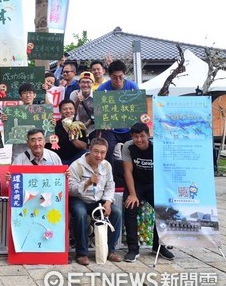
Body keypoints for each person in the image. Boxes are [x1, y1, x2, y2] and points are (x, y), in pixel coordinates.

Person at [122, 123, 174, 262]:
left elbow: (166, 169)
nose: (139, 140)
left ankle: (158, 246)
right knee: (130, 206)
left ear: (148, 135)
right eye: (135, 137)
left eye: (142, 136)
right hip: (136, 183)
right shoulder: (128, 146)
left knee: (164, 209)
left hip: (154, 184)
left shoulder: (157, 147)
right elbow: (128, 171)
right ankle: (133, 248)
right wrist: (132, 194)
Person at [68, 138, 122, 266]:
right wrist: (87, 183)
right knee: (80, 213)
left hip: (98, 200)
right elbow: (70, 190)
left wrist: (108, 202)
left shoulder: (107, 165)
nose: (99, 155)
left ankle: (110, 250)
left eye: (103, 152)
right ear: (89, 150)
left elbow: (110, 186)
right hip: (79, 199)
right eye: (96, 152)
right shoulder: (77, 166)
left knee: (117, 212)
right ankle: (81, 253)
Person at [97, 60, 140, 165]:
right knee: (107, 150)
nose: (118, 80)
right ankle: (109, 176)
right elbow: (99, 111)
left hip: (129, 128)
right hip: (111, 129)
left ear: (124, 74)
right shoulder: (102, 89)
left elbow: (138, 108)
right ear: (109, 76)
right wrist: (103, 122)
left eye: (121, 76)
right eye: (114, 77)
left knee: (134, 150)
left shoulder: (133, 87)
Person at [53, 100, 88, 165]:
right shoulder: (55, 125)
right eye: (65, 109)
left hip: (75, 160)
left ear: (74, 110)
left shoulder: (79, 125)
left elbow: (84, 146)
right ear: (60, 111)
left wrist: (73, 138)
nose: (68, 111)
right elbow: (51, 145)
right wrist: (52, 130)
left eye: (70, 108)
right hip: (58, 160)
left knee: (87, 152)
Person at [9, 82, 37, 163]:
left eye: (30, 93)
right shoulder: (13, 112)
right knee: (17, 173)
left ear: (34, 95)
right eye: (24, 93)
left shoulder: (41, 112)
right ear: (20, 96)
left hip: (36, 149)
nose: (28, 95)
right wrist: (6, 119)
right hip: (18, 150)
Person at [70, 71, 96, 141]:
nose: (85, 85)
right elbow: (72, 114)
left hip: (92, 128)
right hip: (78, 127)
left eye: (88, 82)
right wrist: (77, 101)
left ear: (93, 83)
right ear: (79, 83)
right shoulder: (74, 94)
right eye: (83, 82)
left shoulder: (97, 96)